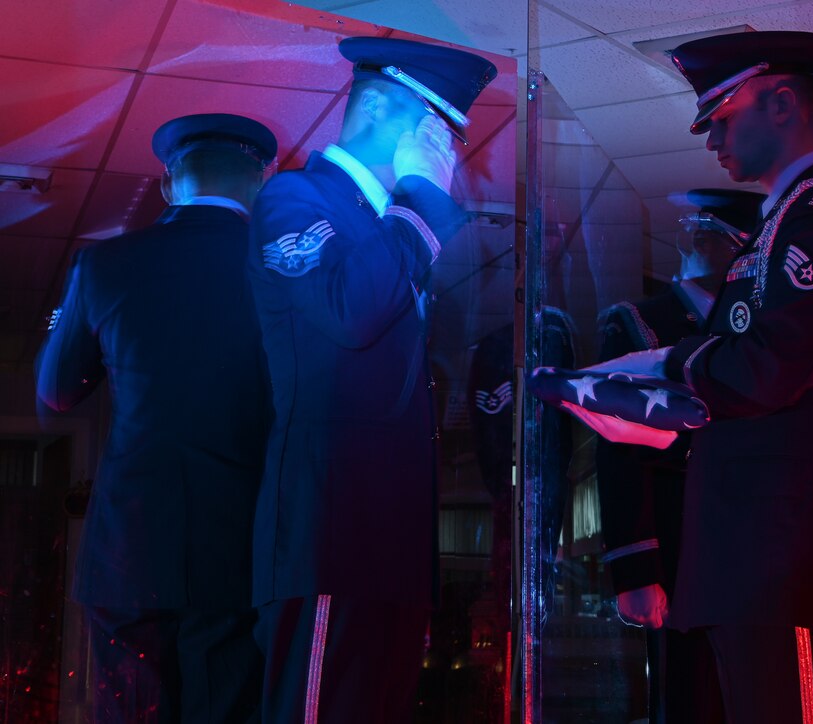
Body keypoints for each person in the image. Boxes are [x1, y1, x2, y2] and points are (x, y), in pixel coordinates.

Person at [575, 31, 813, 723]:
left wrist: (662, 363)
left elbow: (767, 370)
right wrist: (662, 416)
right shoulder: (785, 223)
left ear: (781, 103)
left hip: (791, 552)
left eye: (722, 116)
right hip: (757, 554)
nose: (710, 137)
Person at [246, 36, 496, 723]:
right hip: (331, 532)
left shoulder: (391, 226)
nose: (445, 149)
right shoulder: (297, 197)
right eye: (433, 126)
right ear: (380, 104)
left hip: (390, 544)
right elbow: (350, 312)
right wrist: (418, 195)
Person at [36, 113, 277, 723]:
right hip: (239, 555)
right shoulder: (282, 273)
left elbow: (59, 393)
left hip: (130, 553)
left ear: (170, 184)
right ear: (262, 182)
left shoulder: (106, 265)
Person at [595, 188, 762, 724]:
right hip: (677, 535)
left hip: (754, 542)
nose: (693, 240)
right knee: (688, 692)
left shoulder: (757, 328)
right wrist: (636, 565)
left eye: (709, 233)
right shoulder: (641, 324)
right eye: (695, 230)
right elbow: (618, 446)